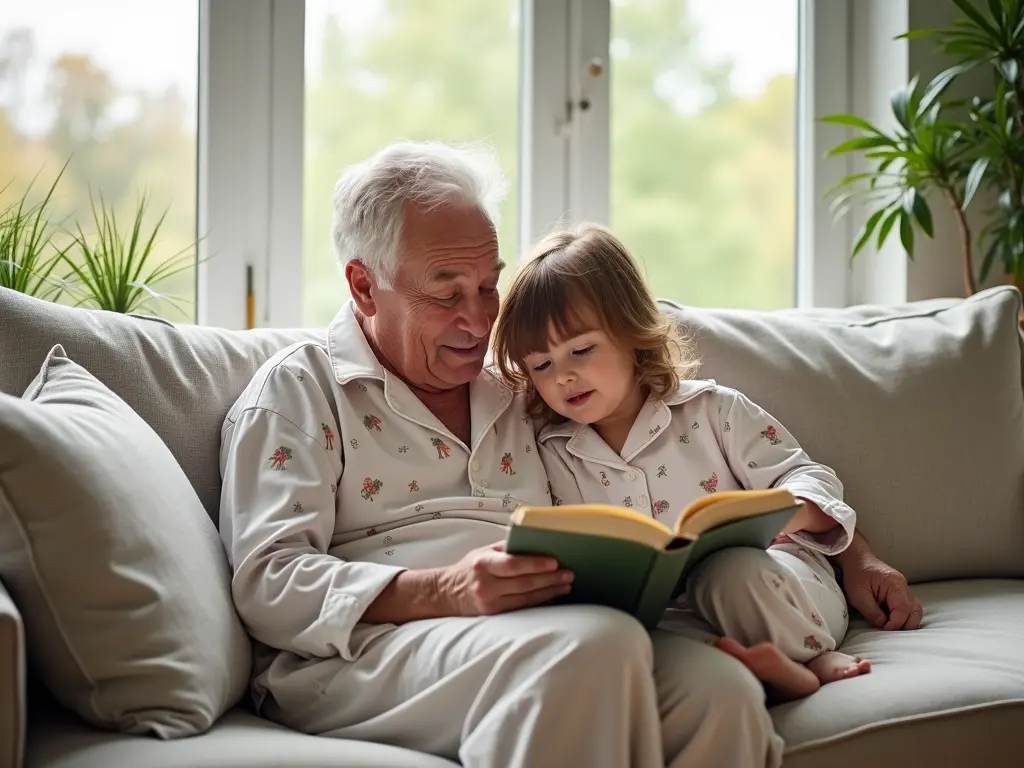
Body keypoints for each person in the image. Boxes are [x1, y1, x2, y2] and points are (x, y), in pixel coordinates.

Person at [218, 140, 922, 768]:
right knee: (596, 646)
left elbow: (711, 471)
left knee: (724, 690)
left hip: (548, 626)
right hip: (367, 652)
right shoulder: (299, 392)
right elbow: (267, 580)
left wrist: (856, 555)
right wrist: (443, 589)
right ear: (364, 286)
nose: (478, 320)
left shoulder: (524, 385)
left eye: (489, 286)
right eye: (447, 294)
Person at [491, 222, 921, 702]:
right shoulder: (550, 452)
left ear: (632, 333)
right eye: (542, 365)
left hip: (776, 589)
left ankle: (807, 658)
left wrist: (790, 508)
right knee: (629, 637)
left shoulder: (713, 410)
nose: (565, 375)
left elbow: (808, 474)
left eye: (582, 350)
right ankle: (750, 666)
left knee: (732, 573)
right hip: (671, 621)